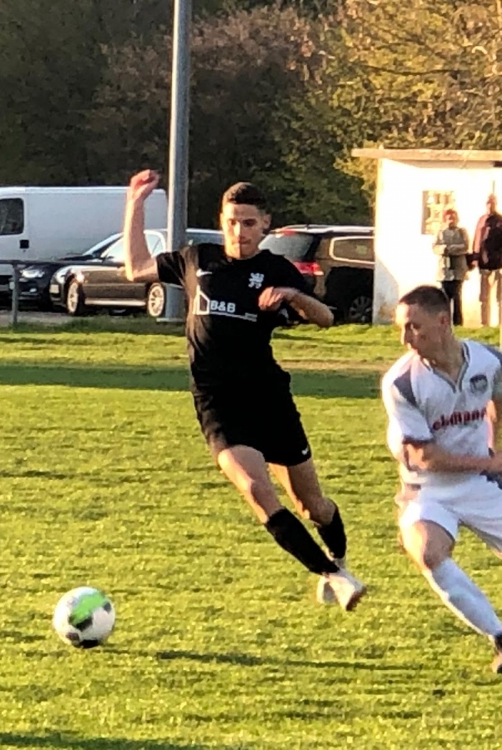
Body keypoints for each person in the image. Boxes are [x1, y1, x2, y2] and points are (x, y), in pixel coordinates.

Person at [122, 170, 367, 610]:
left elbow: (326, 317)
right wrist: (135, 205)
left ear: (265, 224)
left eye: (249, 223)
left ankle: (339, 559)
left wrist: (291, 295)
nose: (240, 231)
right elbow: (136, 268)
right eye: (232, 222)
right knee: (256, 490)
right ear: (221, 221)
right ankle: (335, 577)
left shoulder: (276, 269)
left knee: (312, 506)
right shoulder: (198, 258)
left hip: (268, 398)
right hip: (217, 401)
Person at [382, 284, 502, 673]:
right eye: (402, 328)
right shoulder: (401, 382)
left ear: (443, 321)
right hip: (427, 489)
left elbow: (499, 399)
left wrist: (495, 446)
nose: (405, 338)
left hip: (480, 482)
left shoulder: (488, 360)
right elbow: (425, 457)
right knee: (427, 552)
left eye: (414, 327)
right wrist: (489, 462)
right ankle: (499, 637)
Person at [432, 208, 469, 326]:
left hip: (458, 270)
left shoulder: (461, 232)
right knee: (445, 298)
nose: (451, 221)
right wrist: (443, 249)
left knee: (457, 297)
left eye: (453, 218)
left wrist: (452, 249)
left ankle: (458, 323)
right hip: (445, 271)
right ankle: (445, 323)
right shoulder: (440, 232)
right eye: (449, 218)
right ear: (444, 219)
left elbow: (465, 246)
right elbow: (435, 247)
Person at [473, 195, 502, 326]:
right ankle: (484, 323)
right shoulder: (481, 220)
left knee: (499, 297)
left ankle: (500, 323)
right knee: (483, 297)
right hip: (483, 264)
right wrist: (475, 258)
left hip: (497, 264)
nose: (490, 206)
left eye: (492, 203)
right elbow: (476, 240)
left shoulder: (500, 220)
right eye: (488, 203)